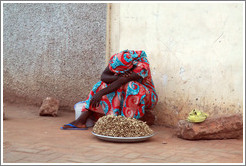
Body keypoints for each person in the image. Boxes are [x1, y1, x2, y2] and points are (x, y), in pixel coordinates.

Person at [61, 50, 158, 130]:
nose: (115, 72)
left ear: (130, 67)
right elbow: (104, 76)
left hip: (147, 96)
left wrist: (100, 93)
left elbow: (122, 81)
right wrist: (118, 77)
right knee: (102, 85)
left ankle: (128, 123)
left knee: (131, 86)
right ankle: (81, 120)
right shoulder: (117, 59)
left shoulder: (142, 65)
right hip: (122, 88)